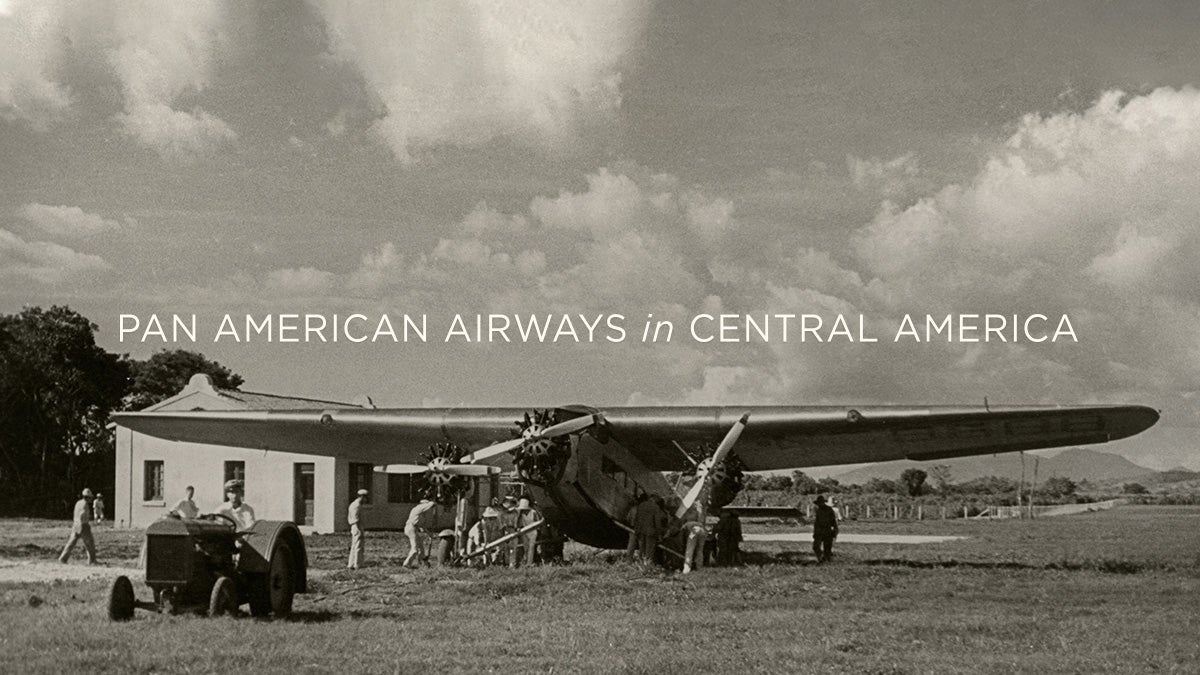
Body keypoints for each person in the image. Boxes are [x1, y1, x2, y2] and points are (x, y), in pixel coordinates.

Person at [59, 488, 98, 564]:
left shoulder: (78, 503)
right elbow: (82, 514)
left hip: (75, 525)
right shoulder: (85, 504)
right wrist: (84, 522)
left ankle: (63, 558)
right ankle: (92, 560)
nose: (91, 499)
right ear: (88, 497)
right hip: (83, 525)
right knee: (90, 543)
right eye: (90, 497)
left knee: (71, 543)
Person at [403, 497, 437, 568]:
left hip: (413, 528)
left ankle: (423, 562)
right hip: (411, 528)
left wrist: (429, 534)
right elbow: (431, 504)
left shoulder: (420, 514)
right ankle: (406, 564)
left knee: (421, 547)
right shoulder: (420, 507)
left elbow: (421, 526)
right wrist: (434, 502)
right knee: (415, 549)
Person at [631, 494, 665, 563]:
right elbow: (657, 523)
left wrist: (636, 530)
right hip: (651, 532)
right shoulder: (656, 507)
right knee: (649, 551)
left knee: (642, 550)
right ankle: (647, 568)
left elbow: (636, 518)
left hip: (640, 531)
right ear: (655, 500)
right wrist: (659, 535)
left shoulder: (641, 505)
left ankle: (640, 565)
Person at [511, 496, 542, 568]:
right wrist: (518, 528)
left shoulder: (533, 512)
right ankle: (525, 561)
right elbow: (518, 523)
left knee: (531, 547)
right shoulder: (521, 514)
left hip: (533, 532)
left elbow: (538, 522)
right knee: (526, 548)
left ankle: (529, 563)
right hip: (525, 531)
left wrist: (536, 528)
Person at [680, 505, 707, 574]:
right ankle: (699, 567)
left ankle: (687, 568)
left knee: (689, 550)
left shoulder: (686, 517)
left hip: (693, 531)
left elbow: (682, 527)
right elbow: (702, 521)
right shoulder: (699, 511)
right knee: (700, 550)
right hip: (702, 530)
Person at [812, 495, 838, 563]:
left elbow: (833, 521)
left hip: (827, 530)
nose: (819, 505)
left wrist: (835, 530)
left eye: (820, 503)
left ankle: (826, 560)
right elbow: (816, 522)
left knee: (827, 548)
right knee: (816, 547)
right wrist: (815, 532)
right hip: (820, 531)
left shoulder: (829, 510)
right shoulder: (818, 510)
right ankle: (820, 558)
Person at [347, 488, 368, 569]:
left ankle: (351, 564)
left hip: (357, 526)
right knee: (358, 546)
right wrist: (359, 530)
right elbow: (355, 519)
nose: (366, 500)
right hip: (356, 527)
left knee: (354, 546)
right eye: (365, 498)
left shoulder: (357, 505)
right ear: (361, 497)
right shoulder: (356, 506)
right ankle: (357, 564)